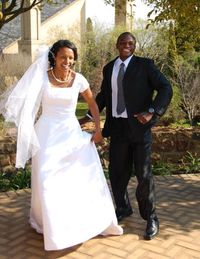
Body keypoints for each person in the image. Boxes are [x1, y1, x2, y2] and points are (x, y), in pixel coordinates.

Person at [0, 40, 123, 250]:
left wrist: (99, 130)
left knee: (71, 180)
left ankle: (73, 224)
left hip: (70, 134)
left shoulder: (79, 80)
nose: (67, 61)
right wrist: (25, 127)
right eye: (63, 57)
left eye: (71, 58)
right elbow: (27, 102)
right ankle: (50, 227)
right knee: (47, 179)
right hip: (46, 134)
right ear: (54, 57)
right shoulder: (42, 77)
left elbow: (93, 104)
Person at [80, 32, 173, 240]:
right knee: (117, 172)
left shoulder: (145, 65)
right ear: (116, 45)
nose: (126, 46)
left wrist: (152, 111)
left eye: (130, 43)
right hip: (117, 128)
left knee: (143, 175)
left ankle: (151, 217)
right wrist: (87, 116)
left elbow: (166, 88)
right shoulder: (109, 68)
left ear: (135, 46)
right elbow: (105, 95)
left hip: (140, 129)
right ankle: (122, 208)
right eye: (123, 42)